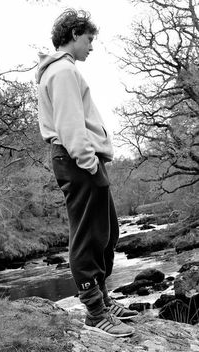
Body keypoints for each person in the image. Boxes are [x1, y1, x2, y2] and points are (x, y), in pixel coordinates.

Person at [36, 8, 138, 337]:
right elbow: (70, 124)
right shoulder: (63, 71)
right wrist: (88, 161)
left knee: (106, 232)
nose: (92, 46)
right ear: (75, 34)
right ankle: (95, 311)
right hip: (78, 159)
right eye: (90, 39)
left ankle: (104, 300)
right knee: (88, 235)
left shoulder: (65, 71)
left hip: (83, 160)